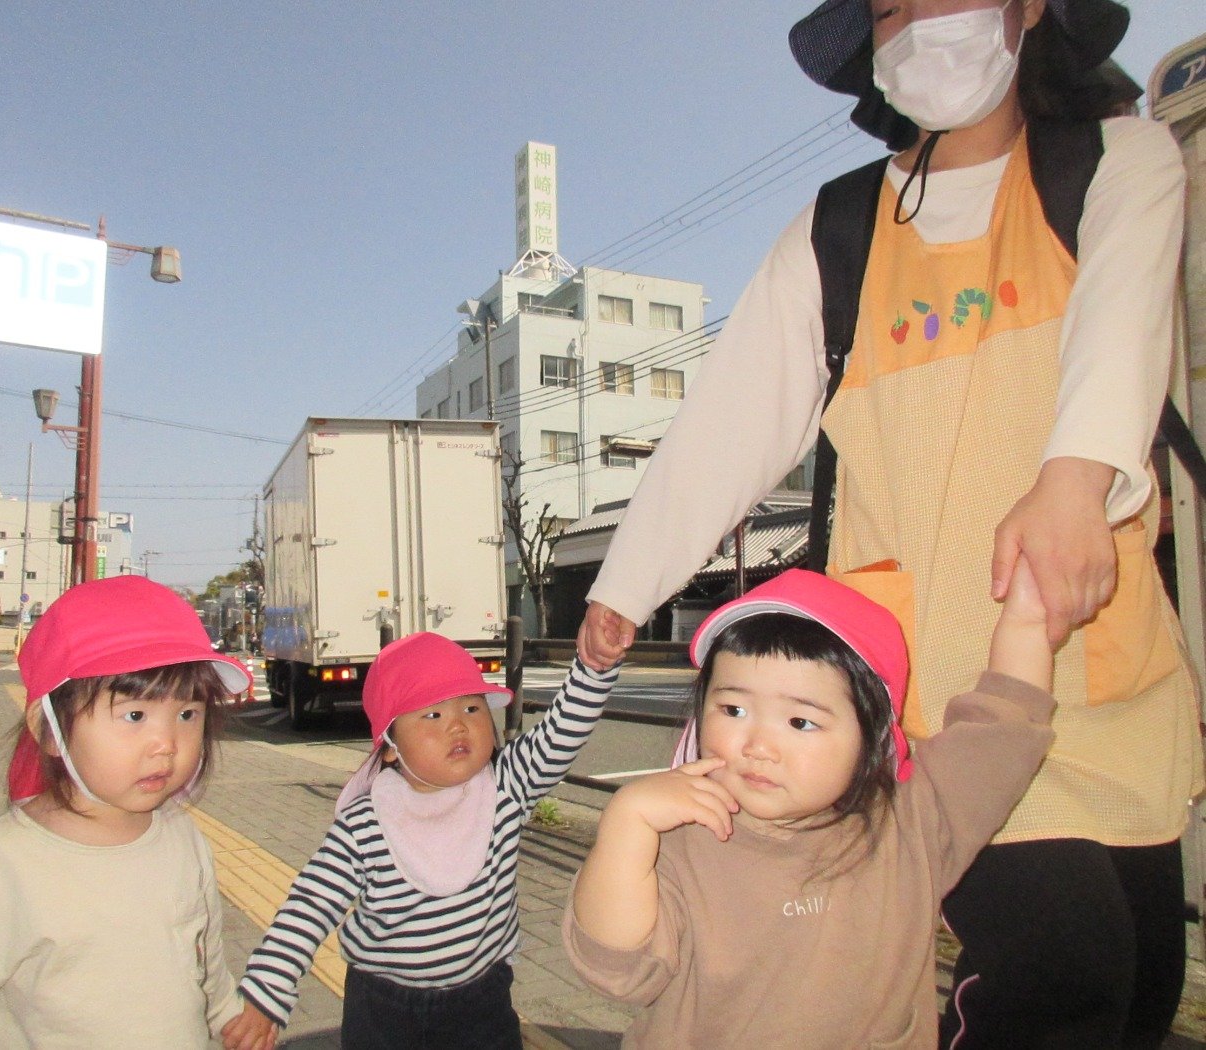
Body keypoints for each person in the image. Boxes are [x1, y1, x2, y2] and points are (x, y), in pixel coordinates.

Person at [577, 2, 1199, 1045]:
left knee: (1138, 981)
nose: (914, 21)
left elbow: (1122, 326)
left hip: (1095, 656)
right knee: (1061, 970)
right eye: (888, 8)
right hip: (920, 698)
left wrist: (1072, 480)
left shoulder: (1114, 161)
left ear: (1027, 8)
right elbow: (732, 418)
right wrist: (627, 582)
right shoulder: (841, 228)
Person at [566, 564, 1053, 1046]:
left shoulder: (913, 822)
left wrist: (1029, 614)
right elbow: (618, 970)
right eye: (734, 709)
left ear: (872, 736)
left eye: (800, 722)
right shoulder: (681, 836)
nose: (758, 745)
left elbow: (1003, 730)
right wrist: (626, 827)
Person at [0, 576, 254, 1049]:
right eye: (135, 715)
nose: (166, 744)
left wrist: (225, 1014)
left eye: (187, 715)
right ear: (50, 729)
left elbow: (205, 955)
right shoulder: (4, 861)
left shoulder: (182, 835)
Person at [221, 633, 619, 1050]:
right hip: (383, 1009)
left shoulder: (505, 787)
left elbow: (561, 734)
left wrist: (594, 670)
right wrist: (265, 996)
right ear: (390, 748)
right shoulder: (366, 824)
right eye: (432, 714)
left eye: (471, 707)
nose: (458, 724)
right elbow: (309, 907)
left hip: (482, 1002)